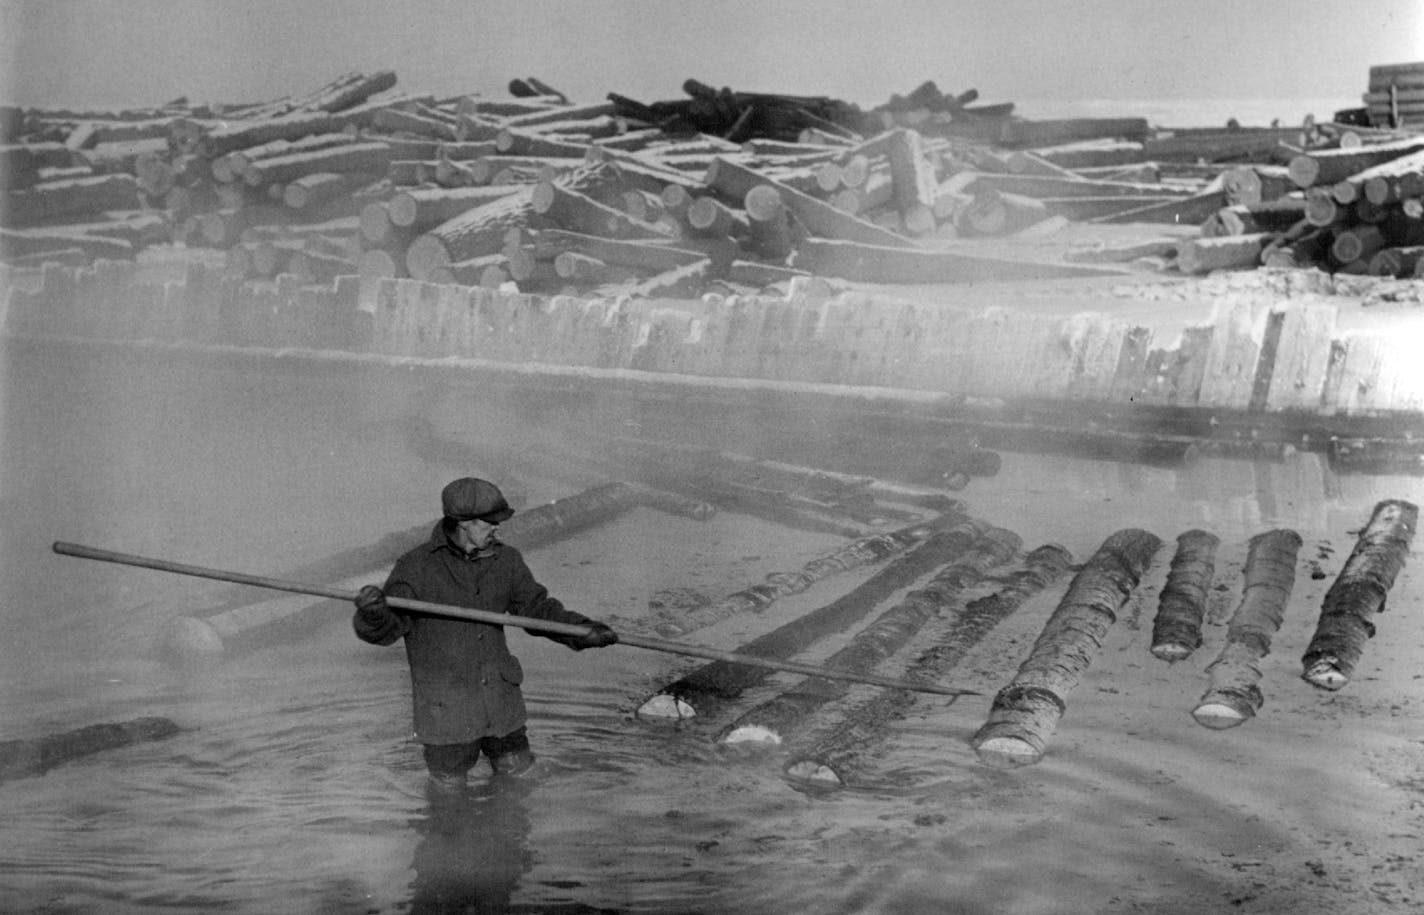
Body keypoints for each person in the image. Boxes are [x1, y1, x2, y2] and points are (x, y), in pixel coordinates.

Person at [353, 477, 619, 785]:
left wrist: (583, 631)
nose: (497, 529)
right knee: (447, 796)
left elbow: (537, 609)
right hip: (447, 711)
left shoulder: (506, 560)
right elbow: (386, 632)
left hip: (500, 703)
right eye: (490, 523)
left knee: (520, 778)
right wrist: (373, 614)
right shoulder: (416, 568)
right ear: (464, 523)